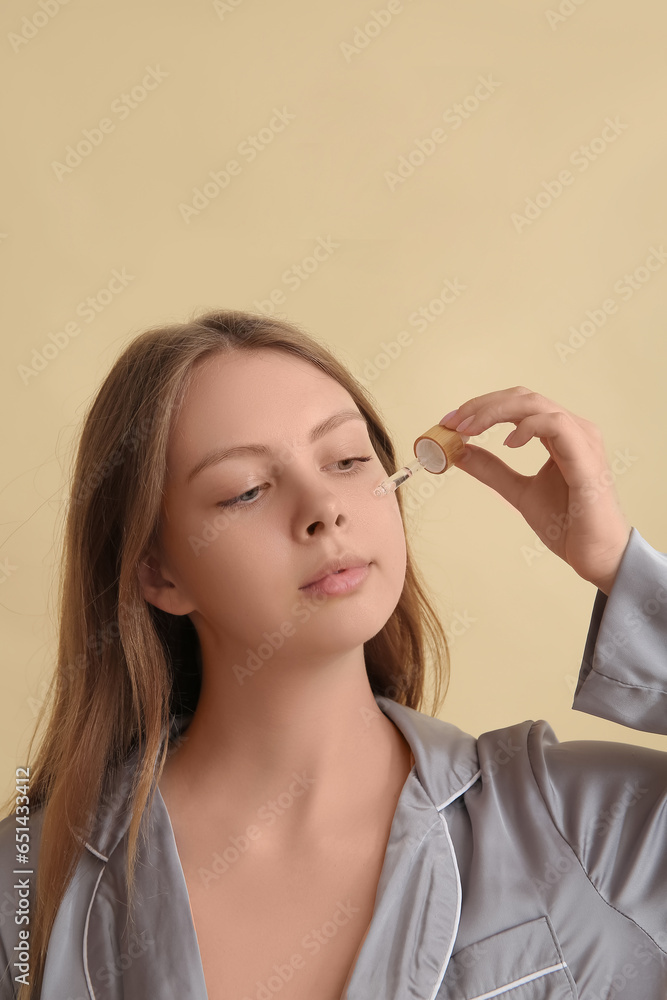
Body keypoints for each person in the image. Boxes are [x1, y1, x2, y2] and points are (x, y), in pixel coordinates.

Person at [0, 308, 665, 1000]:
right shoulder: (28, 888)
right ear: (158, 573)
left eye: (347, 461)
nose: (323, 506)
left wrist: (622, 567)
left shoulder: (588, 831)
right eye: (245, 491)